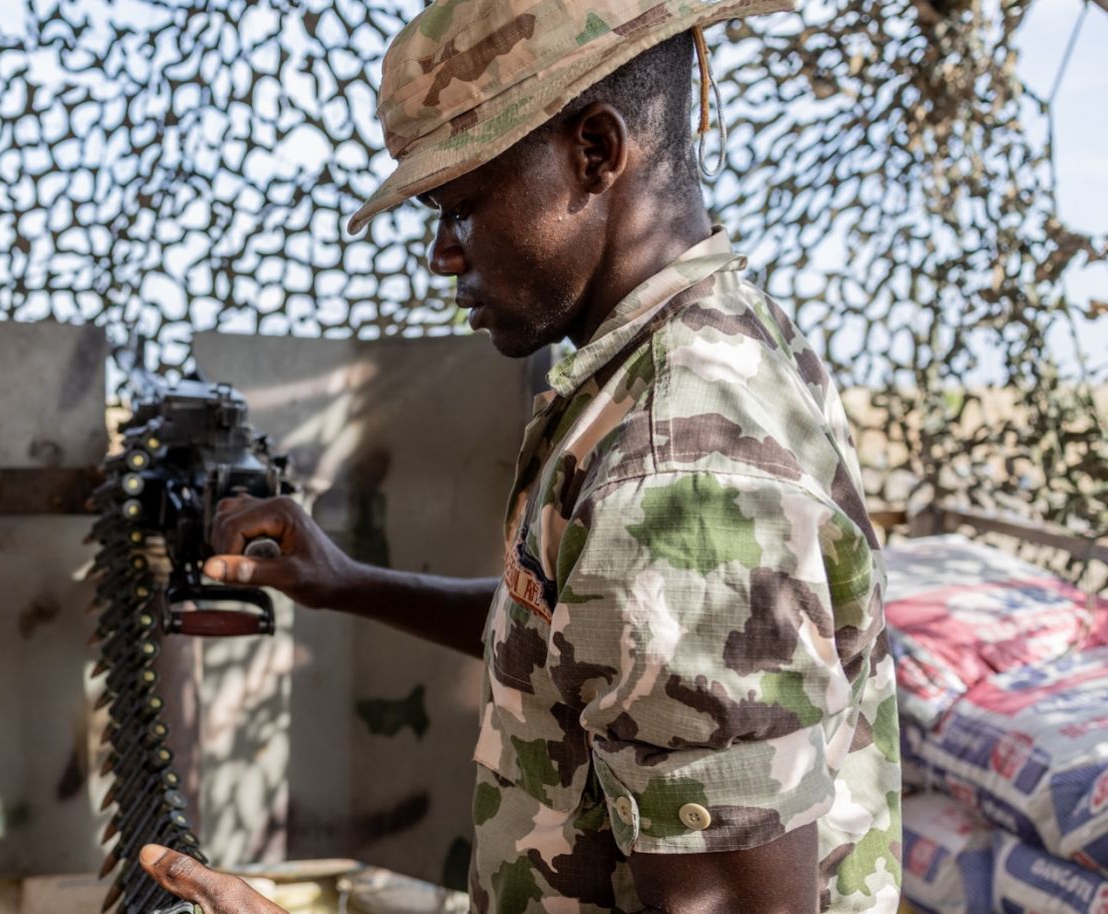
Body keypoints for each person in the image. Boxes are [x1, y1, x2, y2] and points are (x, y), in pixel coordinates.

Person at [138, 1, 902, 911]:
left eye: (462, 207)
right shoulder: (704, 347)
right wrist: (347, 583)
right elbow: (586, 644)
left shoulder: (677, 476)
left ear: (595, 151)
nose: (440, 255)